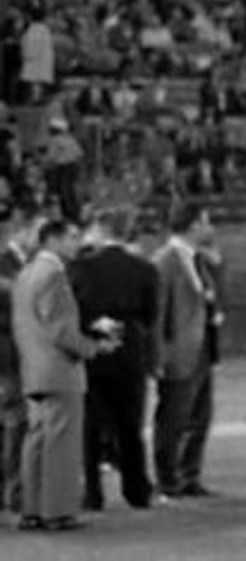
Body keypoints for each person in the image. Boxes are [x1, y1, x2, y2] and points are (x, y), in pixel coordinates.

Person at [69, 211, 162, 514]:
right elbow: (150, 315)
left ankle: (92, 492)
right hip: (129, 351)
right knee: (130, 424)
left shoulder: (80, 268)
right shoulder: (145, 269)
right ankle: (136, 489)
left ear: (99, 230)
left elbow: (73, 311)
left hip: (93, 350)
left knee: (91, 425)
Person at [15, 214, 94, 533]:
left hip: (33, 369)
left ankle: (32, 509)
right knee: (61, 444)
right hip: (58, 371)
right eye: (72, 237)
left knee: (36, 442)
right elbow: (61, 330)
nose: (78, 243)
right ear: (54, 239)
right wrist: (92, 348)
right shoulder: (54, 275)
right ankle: (57, 512)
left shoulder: (26, 273)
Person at [150, 210, 223, 501]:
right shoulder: (165, 261)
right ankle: (167, 478)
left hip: (202, 348)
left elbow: (207, 296)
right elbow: (157, 314)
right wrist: (158, 355)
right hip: (177, 352)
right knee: (173, 417)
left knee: (201, 416)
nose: (210, 227)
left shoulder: (198, 259)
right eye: (206, 222)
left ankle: (189, 474)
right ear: (192, 226)